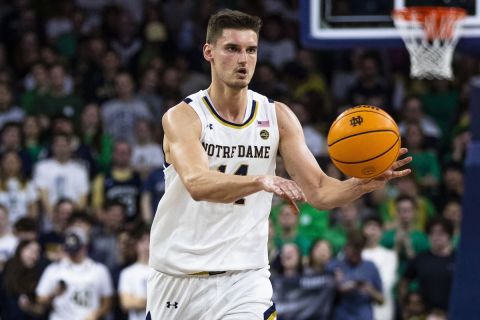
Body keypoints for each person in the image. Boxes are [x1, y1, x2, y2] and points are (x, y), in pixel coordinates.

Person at [147, 9, 411, 320]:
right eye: (232, 49)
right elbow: (196, 183)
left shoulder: (277, 116)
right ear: (209, 52)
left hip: (245, 279)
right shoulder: (184, 117)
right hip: (179, 278)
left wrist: (360, 184)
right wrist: (260, 182)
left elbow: (321, 193)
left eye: (251, 50)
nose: (243, 59)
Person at [35, 227, 113, 320]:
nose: (73, 254)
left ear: (85, 247)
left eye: (76, 249)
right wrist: (54, 294)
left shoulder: (99, 270)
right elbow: (40, 299)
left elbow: (107, 302)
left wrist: (96, 314)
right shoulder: (54, 269)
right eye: (70, 249)